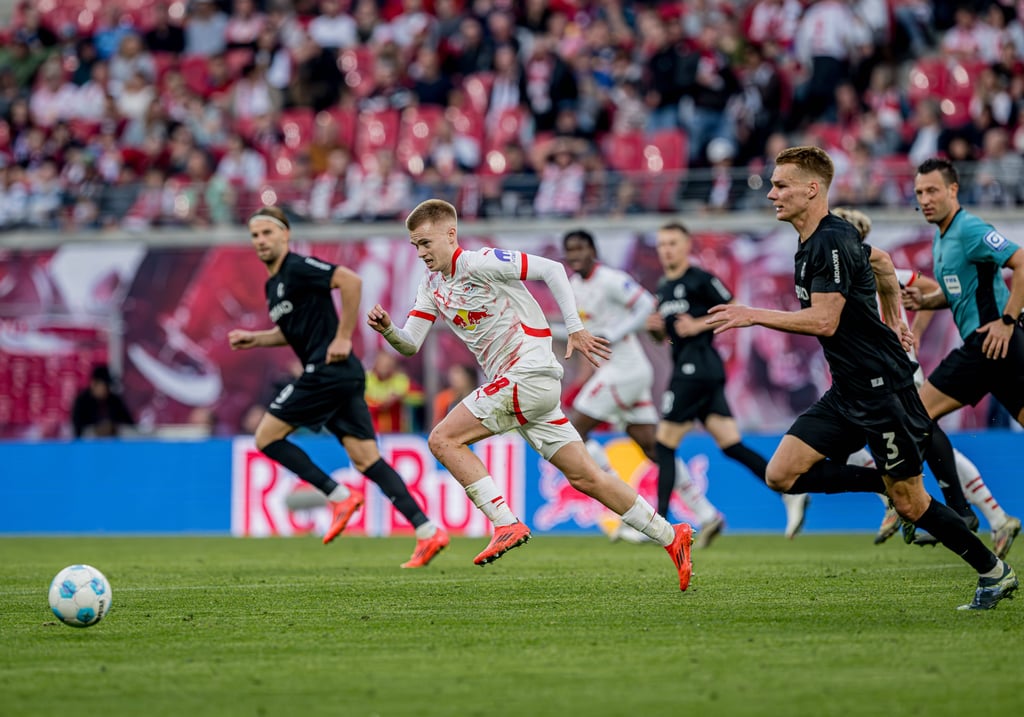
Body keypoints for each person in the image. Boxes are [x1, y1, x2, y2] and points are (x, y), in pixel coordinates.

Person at [706, 146, 1017, 610]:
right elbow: (884, 262)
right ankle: (880, 483)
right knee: (781, 474)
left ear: (812, 189)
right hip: (848, 391)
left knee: (912, 503)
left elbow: (824, 320)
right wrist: (894, 318)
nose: (771, 194)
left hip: (884, 392)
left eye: (781, 185)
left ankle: (993, 572)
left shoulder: (830, 240)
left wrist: (752, 314)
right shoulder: (815, 239)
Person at [366, 199, 694, 591]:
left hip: (528, 373)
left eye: (425, 243)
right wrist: (389, 330)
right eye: (415, 246)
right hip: (523, 386)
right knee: (587, 477)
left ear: (451, 235)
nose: (420, 252)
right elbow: (410, 343)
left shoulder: (482, 262)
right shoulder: (431, 285)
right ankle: (671, 535)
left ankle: (504, 522)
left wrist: (574, 328)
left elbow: (552, 269)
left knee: (443, 439)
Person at [227, 206, 448, 569]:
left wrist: (344, 336)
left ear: (285, 235)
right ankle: (427, 531)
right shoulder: (273, 285)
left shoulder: (297, 267)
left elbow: (350, 281)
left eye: (268, 232)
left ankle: (338, 495)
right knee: (367, 459)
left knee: (266, 437)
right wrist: (257, 339)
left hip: (327, 370)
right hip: (342, 375)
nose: (261, 240)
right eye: (255, 235)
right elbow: (293, 331)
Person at [833, 206, 1020, 558]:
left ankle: (917, 504)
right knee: (906, 434)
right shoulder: (841, 277)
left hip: (895, 370)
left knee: (919, 428)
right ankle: (984, 515)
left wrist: (914, 330)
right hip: (871, 374)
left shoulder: (880, 268)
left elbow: (930, 287)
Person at [561, 229, 724, 548]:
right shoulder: (574, 287)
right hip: (624, 372)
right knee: (653, 447)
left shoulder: (611, 279)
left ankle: (624, 505)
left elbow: (648, 304)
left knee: (572, 432)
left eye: (581, 248)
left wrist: (617, 332)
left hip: (624, 372)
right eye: (570, 250)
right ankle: (707, 514)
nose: (575, 255)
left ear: (593, 250)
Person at [646, 222, 809, 541]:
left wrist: (698, 325)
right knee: (731, 445)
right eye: (662, 244)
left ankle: (659, 526)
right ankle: (789, 492)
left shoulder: (700, 278)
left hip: (696, 368)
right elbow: (670, 336)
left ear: (687, 246)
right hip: (698, 370)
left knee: (663, 445)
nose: (666, 250)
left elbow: (734, 308)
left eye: (672, 243)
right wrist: (657, 331)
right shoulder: (664, 287)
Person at [905, 158, 1024, 557]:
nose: (925, 199)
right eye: (919, 193)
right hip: (998, 349)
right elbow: (958, 291)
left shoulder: (970, 228)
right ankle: (963, 511)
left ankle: (958, 510)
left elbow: (1021, 261)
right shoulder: (943, 237)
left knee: (915, 414)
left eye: (932, 190)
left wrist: (1007, 321)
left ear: (953, 190)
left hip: (989, 343)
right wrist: (928, 300)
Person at [71, 364, 135, 438]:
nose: (107, 390)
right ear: (94, 384)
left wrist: (114, 428)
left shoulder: (114, 400)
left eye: (108, 386)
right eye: (104, 385)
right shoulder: (82, 402)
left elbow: (129, 425)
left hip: (113, 443)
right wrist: (97, 430)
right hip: (90, 443)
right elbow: (78, 431)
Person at [432, 363, 477, 428]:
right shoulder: (444, 397)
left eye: (459, 376)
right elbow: (437, 422)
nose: (454, 380)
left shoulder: (478, 397)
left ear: (469, 378)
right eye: (452, 377)